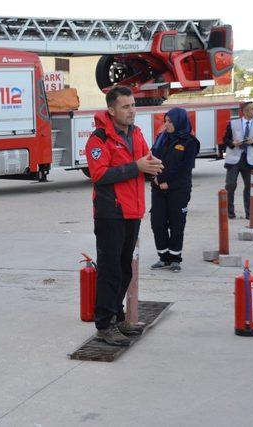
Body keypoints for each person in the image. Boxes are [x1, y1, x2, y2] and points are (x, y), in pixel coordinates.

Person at [85, 85, 164, 347]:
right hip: (111, 213)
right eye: (125, 106)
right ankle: (104, 325)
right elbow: (99, 175)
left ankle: (117, 317)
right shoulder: (99, 139)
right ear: (111, 109)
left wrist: (152, 169)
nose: (131, 111)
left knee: (124, 270)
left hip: (132, 211)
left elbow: (144, 160)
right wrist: (137, 167)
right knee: (110, 271)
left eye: (133, 106)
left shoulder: (136, 134)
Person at [149, 108, 200, 273]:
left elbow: (184, 168)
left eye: (170, 121)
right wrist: (156, 179)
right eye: (166, 121)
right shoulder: (161, 138)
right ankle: (163, 257)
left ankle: (175, 258)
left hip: (178, 189)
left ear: (179, 121)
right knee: (157, 223)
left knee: (177, 225)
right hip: (158, 188)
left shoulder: (190, 142)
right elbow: (151, 160)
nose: (167, 124)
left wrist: (165, 181)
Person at [223, 101, 253, 219]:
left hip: (250, 160)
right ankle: (229, 213)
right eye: (252, 109)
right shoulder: (233, 124)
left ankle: (249, 213)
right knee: (230, 186)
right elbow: (225, 139)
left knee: (250, 187)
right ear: (245, 111)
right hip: (234, 159)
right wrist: (232, 143)